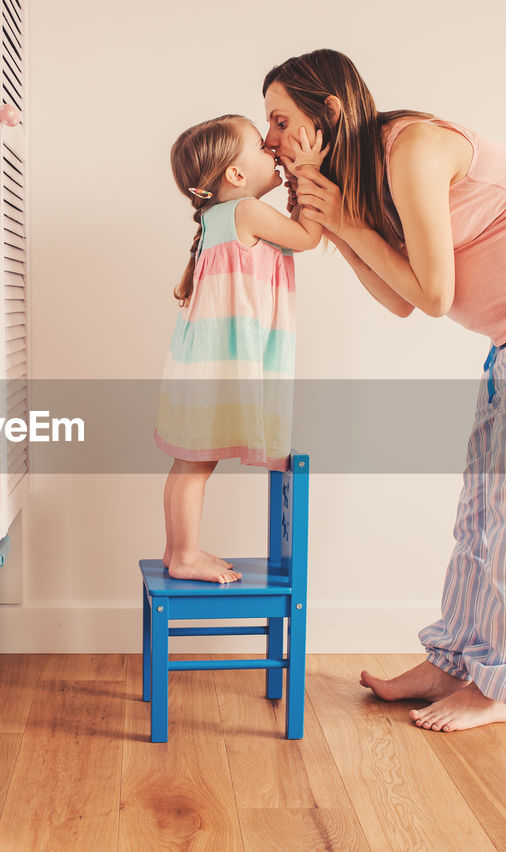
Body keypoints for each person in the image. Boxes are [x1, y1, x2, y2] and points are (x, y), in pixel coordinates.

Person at [262, 49, 506, 730]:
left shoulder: (415, 151)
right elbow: (399, 297)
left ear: (330, 113)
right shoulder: (371, 173)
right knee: (484, 507)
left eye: (281, 120)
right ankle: (455, 661)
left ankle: (500, 689)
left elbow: (433, 295)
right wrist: (338, 228)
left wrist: (344, 223)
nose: (269, 140)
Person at [156, 114, 326, 584]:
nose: (272, 149)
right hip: (219, 364)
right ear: (235, 174)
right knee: (196, 464)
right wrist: (307, 172)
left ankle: (177, 551)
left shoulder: (218, 218)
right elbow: (308, 238)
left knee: (189, 462)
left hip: (201, 359)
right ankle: (185, 554)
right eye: (261, 144)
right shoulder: (246, 211)